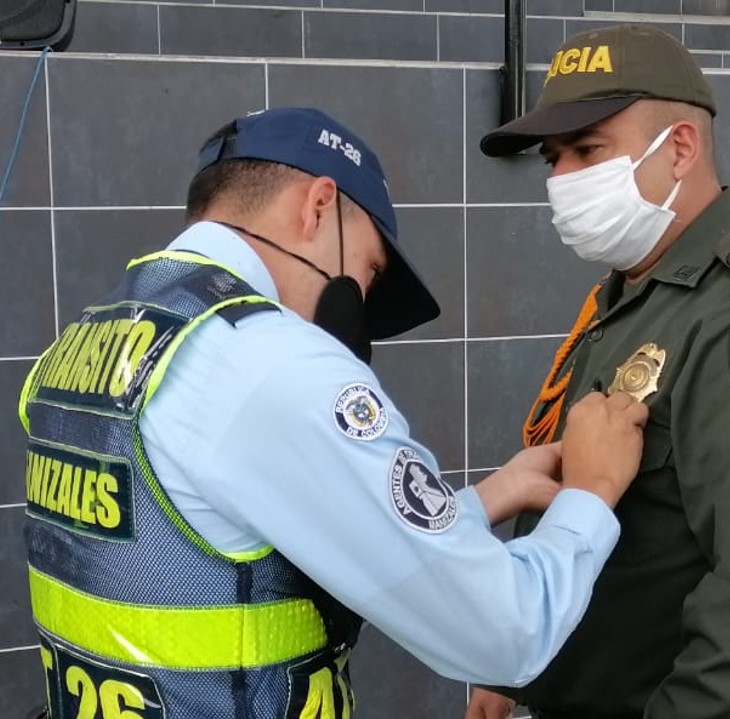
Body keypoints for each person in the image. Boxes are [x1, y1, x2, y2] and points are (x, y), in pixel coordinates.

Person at [17, 107, 650, 719]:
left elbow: (224, 532)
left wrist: (486, 499)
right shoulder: (273, 361)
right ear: (318, 206)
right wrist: (590, 495)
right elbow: (504, 633)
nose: (361, 297)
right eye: (369, 269)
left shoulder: (94, 337)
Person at [467, 25, 730, 719]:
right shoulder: (637, 291)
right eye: (553, 158)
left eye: (587, 150)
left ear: (680, 148)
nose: (562, 179)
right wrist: (515, 665)